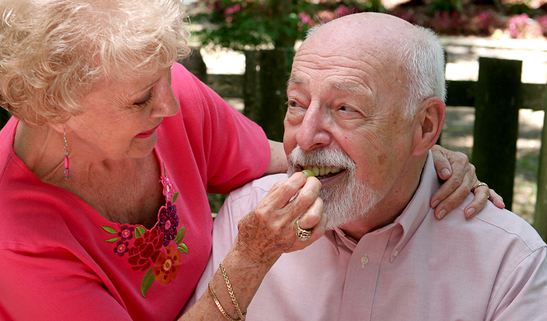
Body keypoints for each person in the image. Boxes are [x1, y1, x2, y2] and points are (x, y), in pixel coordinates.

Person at [0, 1, 499, 320]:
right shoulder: (17, 235)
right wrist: (251, 258)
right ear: (57, 110)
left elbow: (288, 157)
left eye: (165, 75)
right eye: (141, 99)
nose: (170, 106)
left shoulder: (168, 101)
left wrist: (414, 149)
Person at [195, 13, 546, 320]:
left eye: (346, 108)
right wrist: (251, 259)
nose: (305, 137)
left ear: (425, 127)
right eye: (296, 103)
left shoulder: (509, 264)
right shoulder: (248, 221)